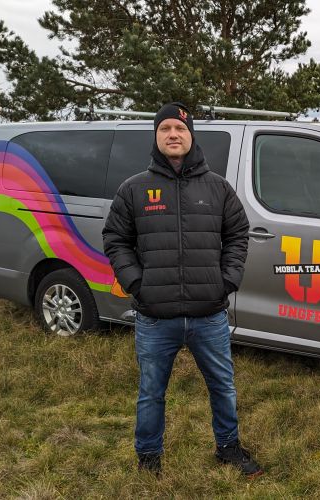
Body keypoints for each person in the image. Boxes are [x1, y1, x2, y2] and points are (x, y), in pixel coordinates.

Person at [102, 102, 261, 478]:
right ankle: (148, 456)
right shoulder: (134, 189)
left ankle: (228, 447)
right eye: (165, 129)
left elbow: (238, 233)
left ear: (191, 136)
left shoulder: (218, 188)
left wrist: (227, 279)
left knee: (222, 387)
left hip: (209, 315)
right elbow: (115, 238)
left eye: (180, 128)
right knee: (151, 392)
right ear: (156, 137)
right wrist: (135, 282)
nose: (173, 134)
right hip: (155, 317)